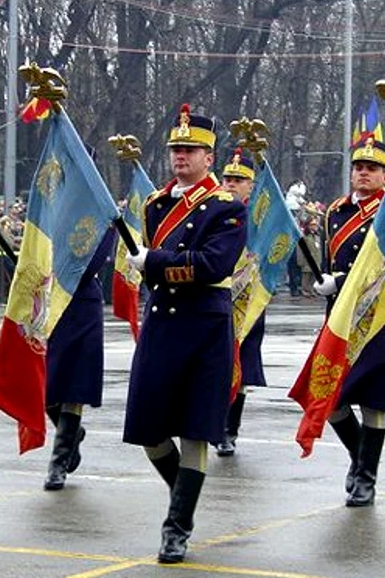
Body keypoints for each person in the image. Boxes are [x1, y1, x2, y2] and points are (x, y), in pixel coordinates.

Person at [123, 104, 247, 564]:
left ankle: (177, 527)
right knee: (148, 429)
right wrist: (149, 266)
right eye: (176, 148)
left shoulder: (227, 207)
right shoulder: (156, 204)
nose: (181, 156)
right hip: (162, 322)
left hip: (204, 324)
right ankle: (186, 494)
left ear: (209, 157)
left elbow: (215, 264)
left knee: (195, 430)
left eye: (191, 149)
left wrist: (153, 262)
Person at [313, 131, 385, 507]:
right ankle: (360, 459)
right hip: (340, 318)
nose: (363, 173)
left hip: (377, 320)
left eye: (372, 168)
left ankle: (366, 478)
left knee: (375, 401)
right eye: (358, 166)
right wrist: (327, 281)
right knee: (330, 398)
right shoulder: (335, 212)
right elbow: (331, 261)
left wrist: (341, 281)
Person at [43, 224, 116, 490]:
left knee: (74, 386)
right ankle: (73, 434)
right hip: (48, 300)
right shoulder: (50, 214)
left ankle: (59, 463)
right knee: (46, 386)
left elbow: (90, 264)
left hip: (81, 305)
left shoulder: (102, 220)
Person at [215, 149, 266, 456]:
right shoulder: (212, 211)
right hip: (217, 298)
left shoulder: (260, 218)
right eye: (228, 179)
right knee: (216, 365)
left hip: (249, 301)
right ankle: (213, 422)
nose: (231, 184)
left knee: (241, 367)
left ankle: (228, 430)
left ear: (251, 185)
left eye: (239, 180)